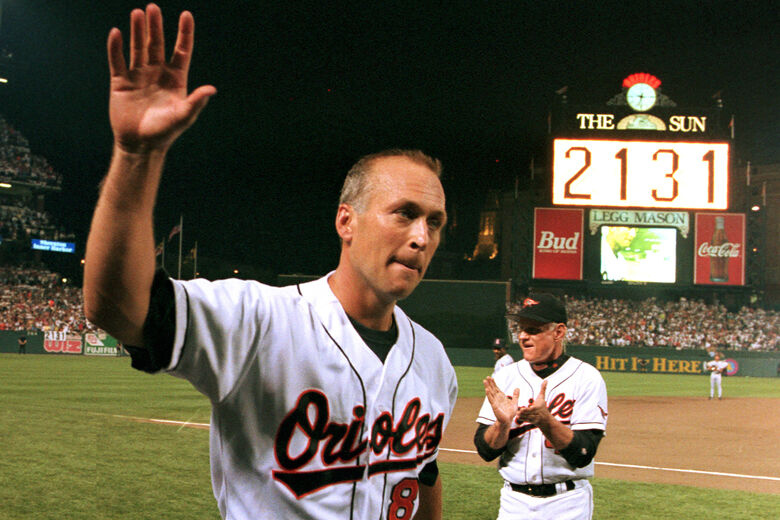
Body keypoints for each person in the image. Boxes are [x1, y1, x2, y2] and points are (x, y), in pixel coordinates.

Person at [82, 5, 457, 520]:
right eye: (404, 214)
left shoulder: (434, 362)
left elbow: (424, 472)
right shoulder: (262, 321)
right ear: (346, 222)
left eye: (434, 222)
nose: (421, 237)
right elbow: (119, 307)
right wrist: (136, 155)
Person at [474, 294, 608, 520]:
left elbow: (583, 453)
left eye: (533, 330)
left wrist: (546, 421)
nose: (523, 336)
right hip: (513, 503)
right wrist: (502, 424)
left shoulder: (586, 377)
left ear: (559, 332)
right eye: (521, 329)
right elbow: (485, 450)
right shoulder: (506, 376)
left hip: (567, 504)